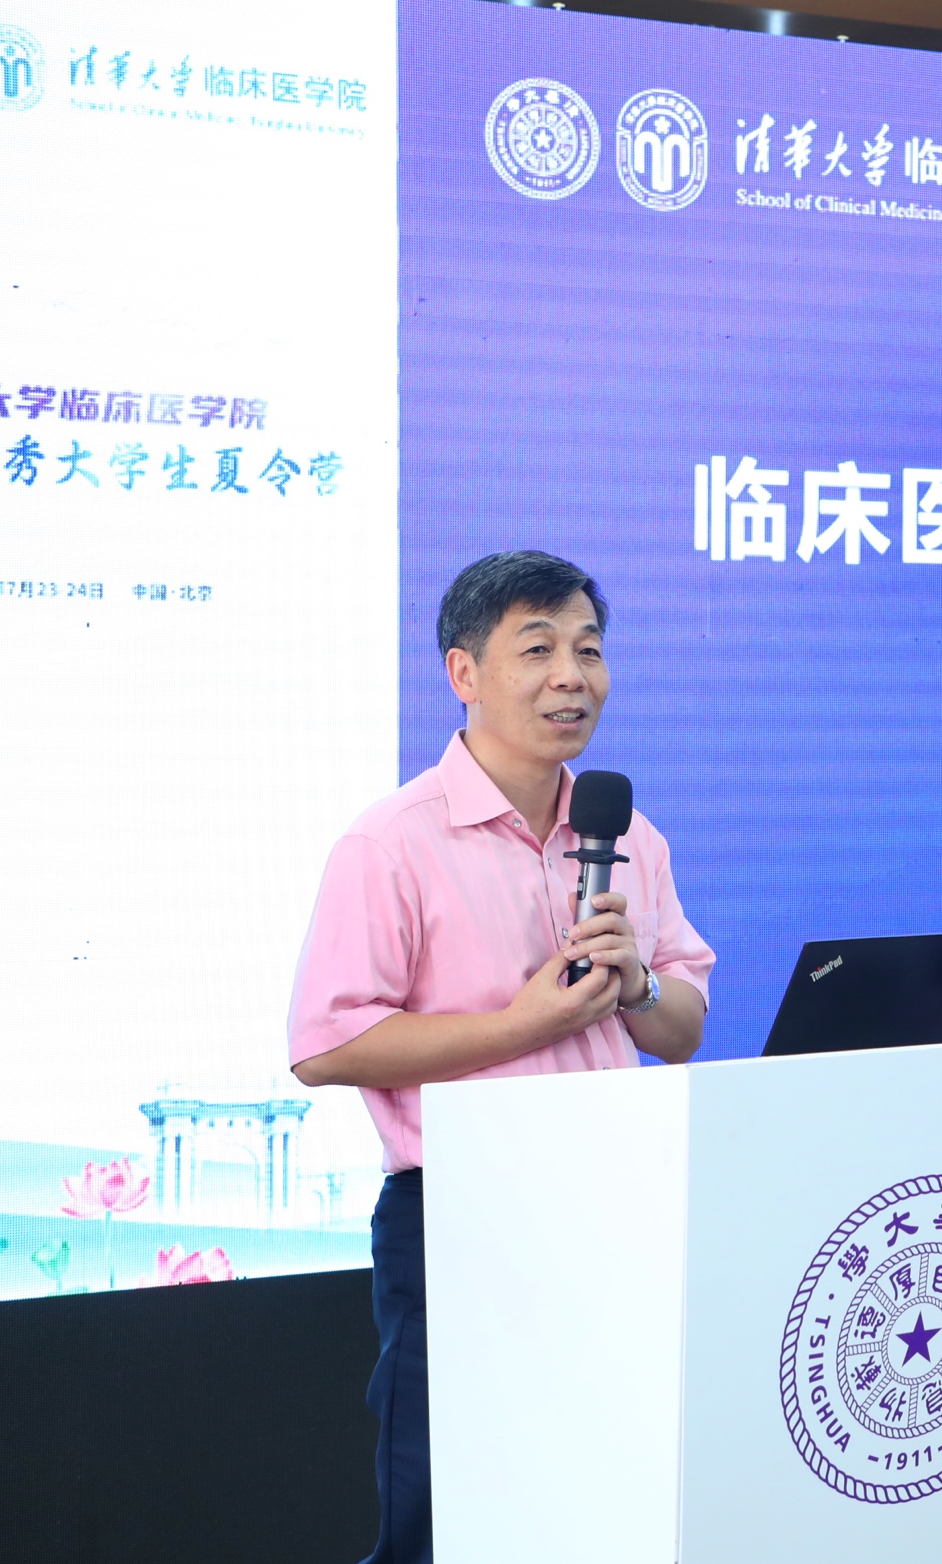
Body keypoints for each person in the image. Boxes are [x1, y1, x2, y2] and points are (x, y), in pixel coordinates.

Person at [286, 550, 711, 1564]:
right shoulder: (392, 842)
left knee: (604, 1500)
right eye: (539, 649)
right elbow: (327, 1043)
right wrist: (521, 1026)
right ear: (464, 672)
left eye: (589, 651)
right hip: (461, 1212)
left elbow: (684, 1027)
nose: (572, 676)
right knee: (441, 1512)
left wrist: (639, 987)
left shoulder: (628, 835)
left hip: (617, 1201)